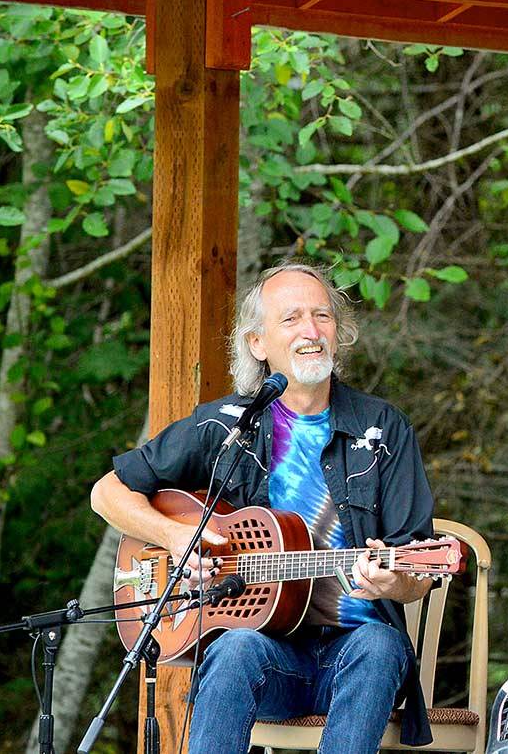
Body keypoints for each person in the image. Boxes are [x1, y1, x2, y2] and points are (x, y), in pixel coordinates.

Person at [90, 263, 436, 754]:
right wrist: (175, 539)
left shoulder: (382, 429)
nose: (311, 331)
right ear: (258, 343)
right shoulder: (227, 425)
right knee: (233, 648)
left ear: (339, 333)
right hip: (271, 655)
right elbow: (106, 492)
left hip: (356, 657)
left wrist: (397, 580)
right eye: (291, 319)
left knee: (380, 644)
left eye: (322, 316)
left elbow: (416, 567)